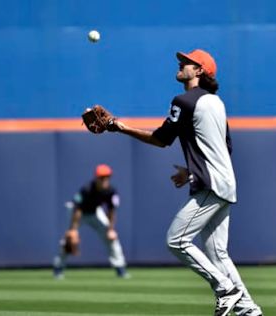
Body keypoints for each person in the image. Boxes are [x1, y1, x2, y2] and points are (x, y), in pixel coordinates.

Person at [105, 49, 262, 316]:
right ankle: (249, 310)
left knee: (176, 240)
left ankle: (225, 288)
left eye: (187, 62)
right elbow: (224, 147)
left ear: (199, 70)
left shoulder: (184, 100)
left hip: (210, 184)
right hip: (224, 183)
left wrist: (119, 126)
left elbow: (161, 139)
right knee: (218, 254)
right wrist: (191, 171)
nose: (181, 63)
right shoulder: (217, 103)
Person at [52, 164, 129, 279]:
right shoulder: (87, 189)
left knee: (112, 238)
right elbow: (77, 209)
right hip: (78, 213)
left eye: (107, 177)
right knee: (67, 240)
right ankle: (58, 268)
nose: (105, 180)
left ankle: (120, 269)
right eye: (102, 177)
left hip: (95, 212)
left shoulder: (111, 191)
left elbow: (112, 211)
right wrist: (73, 229)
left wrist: (111, 229)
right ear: (96, 178)